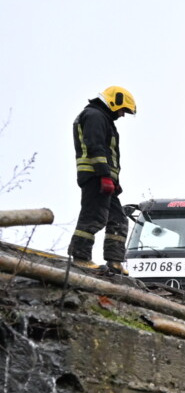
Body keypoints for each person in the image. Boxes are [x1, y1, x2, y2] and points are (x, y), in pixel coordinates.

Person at [69, 86, 138, 271]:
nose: (122, 115)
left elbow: (107, 153)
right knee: (93, 216)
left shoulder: (102, 118)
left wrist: (113, 181)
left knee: (118, 219)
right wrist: (104, 176)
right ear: (114, 102)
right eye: (123, 110)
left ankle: (115, 262)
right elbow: (96, 147)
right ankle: (80, 257)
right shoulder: (94, 116)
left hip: (103, 177)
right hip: (95, 176)